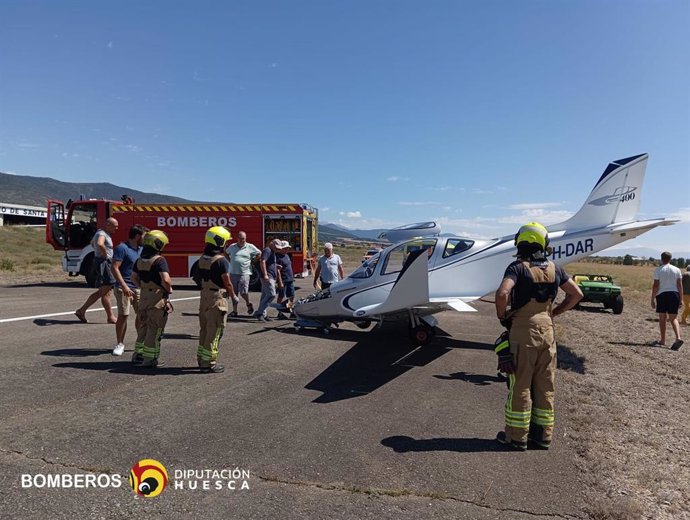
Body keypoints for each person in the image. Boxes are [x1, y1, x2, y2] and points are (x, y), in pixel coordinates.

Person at [494, 222, 583, 451]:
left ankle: (516, 437)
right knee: (545, 386)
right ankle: (542, 436)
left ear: (520, 242)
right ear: (543, 243)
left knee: (520, 384)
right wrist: (555, 312)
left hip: (523, 332)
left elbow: (503, 292)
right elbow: (576, 294)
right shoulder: (556, 268)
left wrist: (502, 316)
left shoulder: (517, 267)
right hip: (548, 332)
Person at [196, 226, 237, 373]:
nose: (226, 244)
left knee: (205, 329)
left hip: (204, 297)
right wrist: (233, 296)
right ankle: (209, 363)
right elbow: (227, 282)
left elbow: (196, 277)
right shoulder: (221, 261)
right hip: (217, 298)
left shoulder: (202, 258)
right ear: (220, 241)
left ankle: (201, 359)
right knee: (215, 331)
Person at [131, 230, 172, 368]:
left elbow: (133, 278)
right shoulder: (159, 260)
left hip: (143, 297)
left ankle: (138, 355)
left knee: (143, 326)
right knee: (155, 329)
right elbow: (165, 279)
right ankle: (150, 359)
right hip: (156, 298)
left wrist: (143, 286)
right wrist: (169, 289)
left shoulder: (140, 260)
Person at [75, 217, 119, 324]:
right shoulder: (102, 234)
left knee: (102, 291)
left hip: (103, 262)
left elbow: (92, 243)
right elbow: (99, 244)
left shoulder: (101, 233)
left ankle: (81, 311)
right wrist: (104, 254)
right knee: (106, 292)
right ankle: (110, 317)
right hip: (104, 263)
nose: (116, 228)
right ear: (108, 224)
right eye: (115, 226)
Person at [111, 224, 146, 356]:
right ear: (137, 236)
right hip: (123, 288)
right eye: (143, 236)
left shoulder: (142, 249)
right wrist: (124, 286)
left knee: (142, 315)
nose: (145, 239)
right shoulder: (122, 248)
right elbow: (115, 268)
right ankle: (120, 343)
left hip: (138, 288)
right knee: (123, 315)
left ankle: (140, 342)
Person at [650, 252, 683, 350]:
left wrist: (652, 299)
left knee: (662, 318)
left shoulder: (658, 270)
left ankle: (663, 340)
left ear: (661, 259)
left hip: (662, 295)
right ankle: (678, 338)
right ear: (670, 259)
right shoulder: (677, 270)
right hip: (674, 295)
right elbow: (680, 286)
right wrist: (680, 299)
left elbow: (656, 286)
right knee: (673, 318)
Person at [225, 231, 260, 317]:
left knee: (243, 292)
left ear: (245, 239)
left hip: (244, 273)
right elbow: (225, 252)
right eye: (240, 239)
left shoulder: (250, 247)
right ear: (237, 238)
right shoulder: (232, 246)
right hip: (233, 273)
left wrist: (254, 260)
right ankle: (234, 311)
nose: (242, 240)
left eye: (243, 239)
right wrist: (229, 261)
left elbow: (259, 253)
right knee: (234, 293)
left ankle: (248, 303)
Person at [254, 239, 281, 322]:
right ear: (271, 244)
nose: (277, 249)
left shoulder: (271, 251)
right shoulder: (267, 250)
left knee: (265, 295)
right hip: (268, 276)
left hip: (270, 275)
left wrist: (276, 266)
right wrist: (265, 274)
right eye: (276, 247)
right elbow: (262, 261)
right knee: (271, 294)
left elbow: (267, 262)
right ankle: (259, 312)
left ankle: (263, 314)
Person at [275, 240, 295, 319]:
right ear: (281, 248)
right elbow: (278, 270)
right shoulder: (278, 257)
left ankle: (291, 310)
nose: (287, 250)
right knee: (281, 296)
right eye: (285, 248)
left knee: (291, 296)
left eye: (288, 248)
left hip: (290, 279)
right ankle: (279, 312)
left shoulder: (287, 256)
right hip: (283, 279)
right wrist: (280, 281)